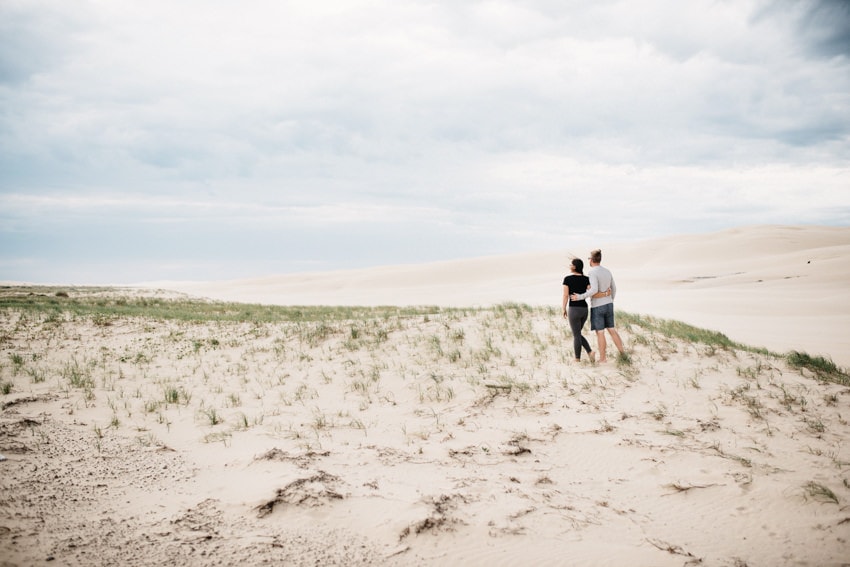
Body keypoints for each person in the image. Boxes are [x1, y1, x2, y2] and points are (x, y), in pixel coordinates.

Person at [570, 249, 625, 363]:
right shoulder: (607, 271)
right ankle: (623, 353)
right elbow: (614, 288)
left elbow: (594, 289)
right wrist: (609, 299)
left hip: (598, 306)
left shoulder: (592, 272)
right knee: (612, 329)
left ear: (592, 260)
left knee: (600, 332)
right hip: (609, 304)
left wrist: (580, 296)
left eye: (589, 258)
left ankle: (603, 359)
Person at [562, 258, 597, 362]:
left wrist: (563, 308)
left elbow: (565, 296)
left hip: (574, 309)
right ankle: (590, 352)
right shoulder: (586, 279)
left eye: (571, 264)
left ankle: (577, 359)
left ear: (575, 267)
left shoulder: (567, 279)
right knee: (577, 333)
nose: (569, 266)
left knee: (576, 335)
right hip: (584, 309)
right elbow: (592, 291)